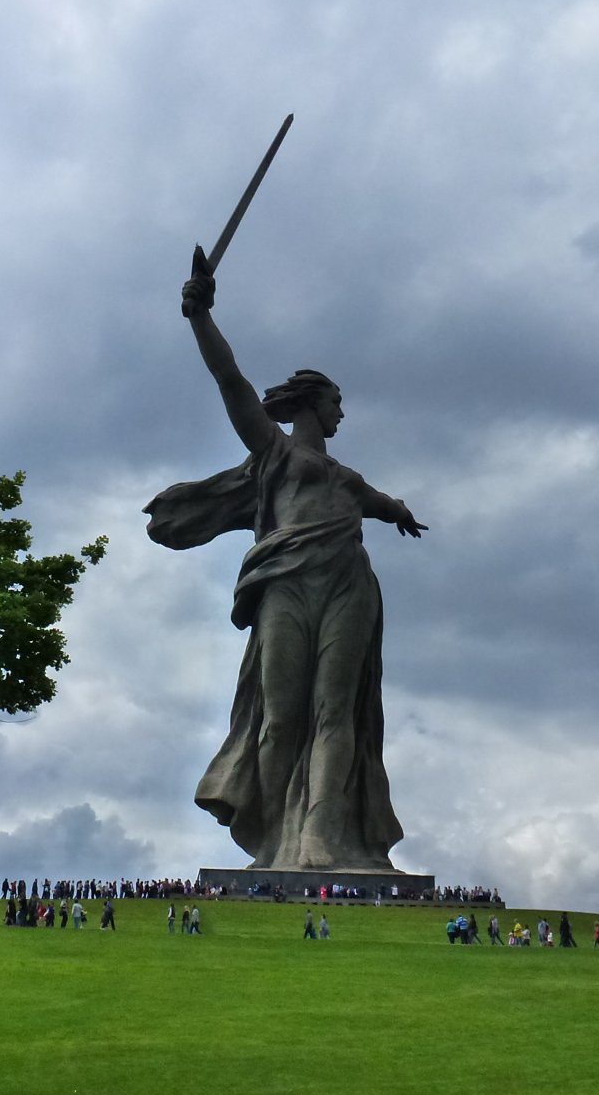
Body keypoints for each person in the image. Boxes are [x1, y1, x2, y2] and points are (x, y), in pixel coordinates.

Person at [151, 260, 426, 870]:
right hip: (286, 585)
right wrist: (201, 316)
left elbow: (384, 504)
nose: (341, 414)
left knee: (335, 711)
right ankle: (274, 838)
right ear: (312, 403)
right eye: (336, 403)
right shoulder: (274, 451)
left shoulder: (348, 479)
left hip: (348, 586)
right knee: (279, 717)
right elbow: (230, 380)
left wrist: (400, 512)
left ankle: (319, 835)